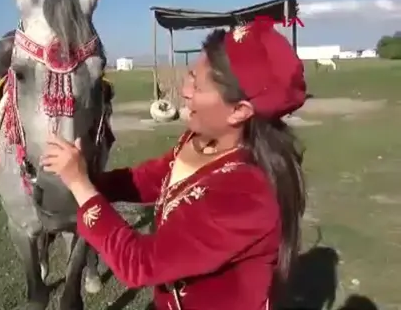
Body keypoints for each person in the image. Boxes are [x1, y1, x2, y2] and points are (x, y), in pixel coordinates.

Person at [40, 20, 308, 310]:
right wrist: (88, 178)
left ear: (239, 111)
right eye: (191, 74)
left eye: (199, 85)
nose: (185, 90)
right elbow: (150, 179)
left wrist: (81, 186)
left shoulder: (247, 193)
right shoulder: (201, 138)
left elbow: (140, 263)